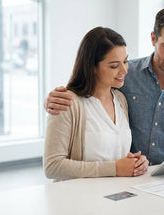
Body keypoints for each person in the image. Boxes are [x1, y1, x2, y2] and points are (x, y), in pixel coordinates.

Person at [44, 6, 164, 176]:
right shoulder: (126, 76)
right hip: (126, 180)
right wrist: (52, 100)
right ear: (153, 38)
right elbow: (86, 89)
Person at [43, 27, 149, 181]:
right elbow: (52, 166)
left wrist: (135, 163)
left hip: (115, 196)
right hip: (79, 199)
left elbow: (114, 153)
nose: (124, 70)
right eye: (114, 66)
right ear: (92, 67)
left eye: (125, 61)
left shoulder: (120, 99)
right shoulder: (67, 102)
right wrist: (114, 169)